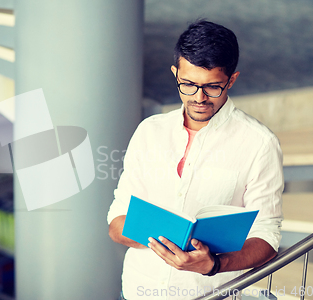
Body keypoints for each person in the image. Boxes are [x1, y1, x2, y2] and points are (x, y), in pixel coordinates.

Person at [107, 20, 283, 300]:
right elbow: (117, 221)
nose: (199, 98)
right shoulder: (150, 131)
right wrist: (163, 239)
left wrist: (214, 264)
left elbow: (267, 238)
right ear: (175, 73)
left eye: (213, 87)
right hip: (138, 291)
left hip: (213, 294)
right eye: (188, 84)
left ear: (232, 80)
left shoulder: (259, 143)